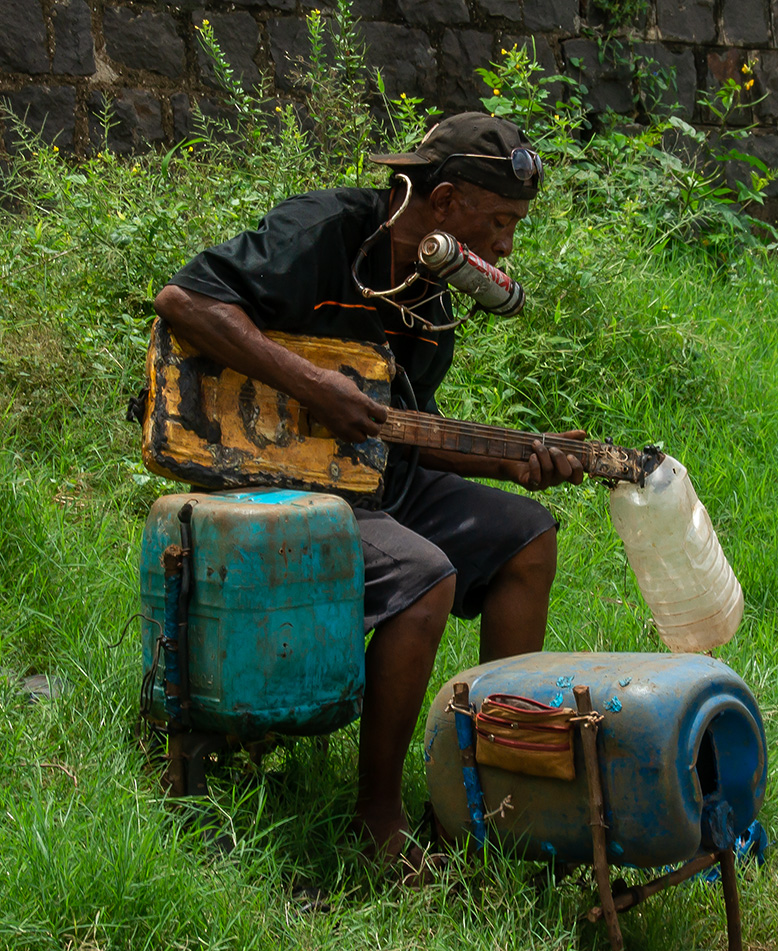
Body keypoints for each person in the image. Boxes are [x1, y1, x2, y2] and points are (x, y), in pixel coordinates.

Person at [152, 113, 585, 868]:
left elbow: (405, 431)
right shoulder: (325, 230)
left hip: (377, 477)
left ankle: (487, 799)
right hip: (280, 481)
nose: (508, 246)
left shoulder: (435, 297)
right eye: (501, 221)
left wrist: (513, 460)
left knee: (527, 536)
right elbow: (184, 302)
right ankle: (376, 813)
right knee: (424, 577)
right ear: (445, 202)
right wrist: (311, 383)